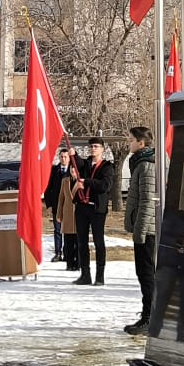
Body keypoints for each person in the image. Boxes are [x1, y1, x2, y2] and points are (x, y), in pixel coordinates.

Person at [122, 127, 156, 334]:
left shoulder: (147, 166)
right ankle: (147, 314)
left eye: (132, 140)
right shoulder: (141, 163)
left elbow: (149, 202)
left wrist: (140, 231)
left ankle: (149, 317)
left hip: (148, 230)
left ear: (141, 143)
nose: (129, 143)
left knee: (147, 274)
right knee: (144, 273)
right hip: (145, 228)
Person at [74, 139, 115, 287]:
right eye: (91, 146)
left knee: (98, 241)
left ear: (102, 149)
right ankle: (85, 274)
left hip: (97, 209)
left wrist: (87, 182)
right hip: (81, 207)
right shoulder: (85, 164)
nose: (93, 149)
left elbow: (105, 186)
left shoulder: (107, 167)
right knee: (81, 242)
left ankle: (100, 276)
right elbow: (77, 163)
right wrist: (74, 154)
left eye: (96, 146)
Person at [45, 146, 76, 266]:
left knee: (68, 230)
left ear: (69, 158)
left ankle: (68, 253)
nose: (63, 159)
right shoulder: (53, 170)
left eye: (65, 157)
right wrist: (49, 205)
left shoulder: (73, 170)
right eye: (61, 157)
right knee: (57, 230)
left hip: (69, 206)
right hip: (56, 205)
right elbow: (48, 189)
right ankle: (58, 253)